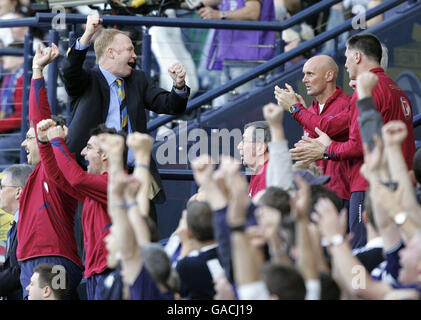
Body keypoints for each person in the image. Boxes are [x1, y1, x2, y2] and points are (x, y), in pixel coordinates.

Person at [290, 34, 416, 249]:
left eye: (347, 57)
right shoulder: (396, 89)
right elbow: (338, 127)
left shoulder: (367, 91)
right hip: (402, 181)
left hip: (369, 184)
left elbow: (357, 145)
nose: (345, 64)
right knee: (396, 246)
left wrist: (326, 150)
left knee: (363, 249)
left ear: (357, 56)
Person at [61, 14, 190, 206]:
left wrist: (179, 86)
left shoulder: (138, 79)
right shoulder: (87, 80)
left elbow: (169, 105)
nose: (134, 55)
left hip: (134, 178)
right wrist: (88, 33)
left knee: (145, 232)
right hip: (94, 176)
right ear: (111, 53)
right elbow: (69, 70)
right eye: (129, 50)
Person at [18, 44, 83, 300]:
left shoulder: (55, 164)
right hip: (34, 260)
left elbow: (40, 120)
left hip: (51, 257)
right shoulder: (36, 174)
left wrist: (37, 72)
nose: (24, 144)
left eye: (30, 138)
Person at [36, 118, 125, 300]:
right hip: (95, 273)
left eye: (89, 147)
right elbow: (59, 178)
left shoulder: (116, 182)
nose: (83, 152)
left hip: (111, 271)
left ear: (105, 155)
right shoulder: (93, 189)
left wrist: (57, 142)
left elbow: (76, 178)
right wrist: (45, 144)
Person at [274, 55, 351, 204]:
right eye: (304, 74)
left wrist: (295, 109)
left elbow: (325, 128)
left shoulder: (347, 105)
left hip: (339, 192)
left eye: (310, 74)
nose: (304, 80)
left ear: (329, 75)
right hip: (313, 193)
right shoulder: (310, 110)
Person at [197, 0, 276, 106]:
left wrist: (220, 14)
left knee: (243, 108)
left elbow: (252, 11)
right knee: (225, 110)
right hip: (231, 56)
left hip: (247, 58)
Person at [176, 200, 223, 300]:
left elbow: (172, 288)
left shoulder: (187, 266)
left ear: (188, 233)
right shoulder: (233, 256)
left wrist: (185, 245)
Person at [0, 164, 32, 300]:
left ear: (18, 191)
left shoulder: (29, 222)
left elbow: (21, 270)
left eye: (2, 187)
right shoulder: (18, 222)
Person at [0, 42, 24, 165]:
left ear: (21, 59)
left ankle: (7, 182)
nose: (3, 58)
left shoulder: (24, 77)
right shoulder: (8, 77)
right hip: (11, 129)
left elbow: (22, 116)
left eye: (9, 55)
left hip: (24, 130)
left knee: (2, 148)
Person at [237, 121, 271, 198]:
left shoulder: (267, 176)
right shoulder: (261, 172)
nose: (239, 146)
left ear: (260, 148)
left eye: (244, 141)